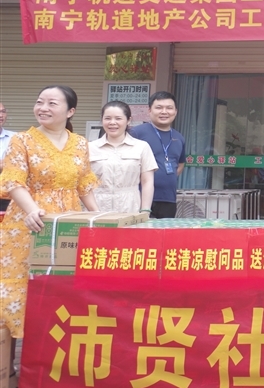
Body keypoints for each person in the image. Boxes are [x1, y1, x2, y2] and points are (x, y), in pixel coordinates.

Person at [0, 86, 99, 354]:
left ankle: (55, 357)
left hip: (67, 223)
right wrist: (32, 210)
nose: (43, 108)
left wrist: (98, 217)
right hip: (29, 224)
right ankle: (8, 364)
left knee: (61, 283)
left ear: (70, 111)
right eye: (39, 102)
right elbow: (13, 181)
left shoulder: (80, 143)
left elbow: (84, 185)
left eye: (52, 103)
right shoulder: (21, 140)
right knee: (21, 284)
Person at [89, 101, 158, 213]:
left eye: (118, 118)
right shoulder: (89, 147)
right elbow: (83, 184)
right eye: (107, 118)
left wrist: (145, 210)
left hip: (130, 209)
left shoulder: (141, 147)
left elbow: (147, 182)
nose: (112, 122)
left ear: (128, 120)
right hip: (97, 209)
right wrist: (93, 211)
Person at [129, 91, 186, 218]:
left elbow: (180, 164)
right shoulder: (136, 133)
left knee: (165, 230)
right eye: (159, 107)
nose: (164, 112)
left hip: (168, 199)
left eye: (169, 108)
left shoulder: (179, 137)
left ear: (175, 111)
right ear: (149, 110)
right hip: (140, 197)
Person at [0, 102, 16, 213]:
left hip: (8, 195)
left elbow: (19, 165)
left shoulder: (15, 138)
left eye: (3, 111)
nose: (0, 115)